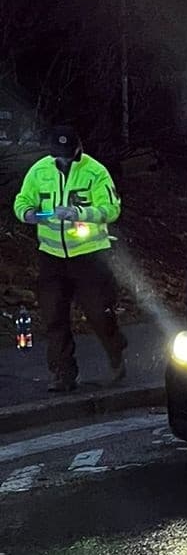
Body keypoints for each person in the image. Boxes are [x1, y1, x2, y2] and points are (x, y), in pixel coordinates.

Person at [11, 122, 126, 393]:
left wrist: (79, 214)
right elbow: (22, 200)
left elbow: (111, 209)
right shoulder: (39, 171)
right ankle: (62, 373)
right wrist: (26, 213)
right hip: (51, 256)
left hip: (90, 256)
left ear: (77, 149)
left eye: (67, 153)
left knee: (99, 313)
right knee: (54, 316)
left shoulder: (95, 172)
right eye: (57, 153)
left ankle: (115, 350)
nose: (62, 158)